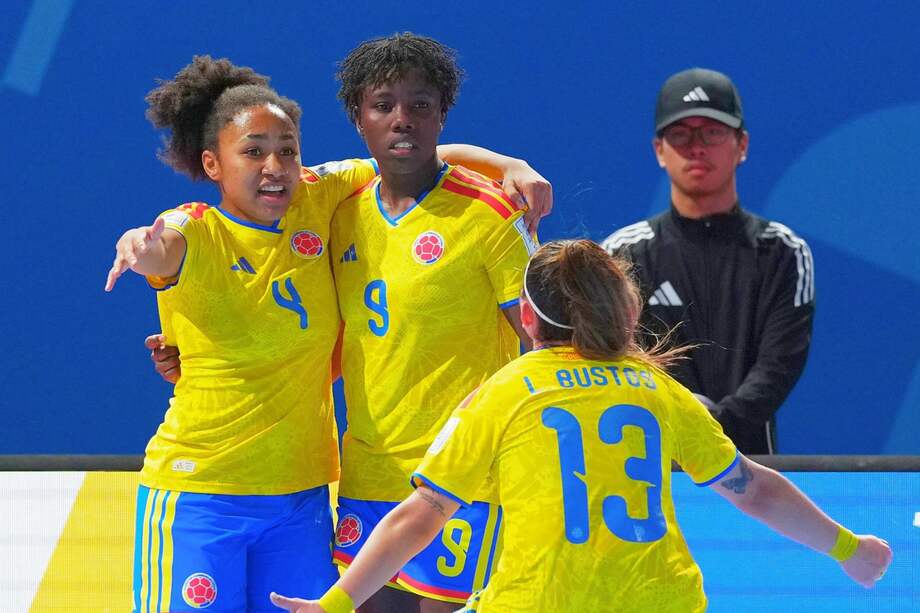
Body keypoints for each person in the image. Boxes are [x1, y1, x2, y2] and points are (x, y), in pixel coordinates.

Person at [269, 239, 891, 613]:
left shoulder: (504, 391)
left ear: (528, 321)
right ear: (626, 312)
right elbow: (753, 489)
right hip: (662, 602)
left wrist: (336, 603)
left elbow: (419, 517)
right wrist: (849, 549)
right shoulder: (657, 389)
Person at [105, 56, 383, 612]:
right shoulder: (196, 230)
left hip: (300, 498)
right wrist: (137, 246)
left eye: (287, 150)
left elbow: (414, 157)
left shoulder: (316, 196)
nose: (274, 165)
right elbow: (160, 247)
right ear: (213, 163)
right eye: (253, 151)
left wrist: (509, 165)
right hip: (201, 495)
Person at [327, 33, 539, 612]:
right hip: (367, 475)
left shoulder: (492, 214)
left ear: (442, 115)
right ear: (359, 119)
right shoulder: (337, 213)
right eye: (383, 105)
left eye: (420, 105)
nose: (402, 119)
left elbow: (544, 346)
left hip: (460, 480)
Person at [601, 67, 815, 455]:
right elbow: (613, 362)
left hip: (752, 465)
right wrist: (680, 421)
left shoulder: (784, 252)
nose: (696, 147)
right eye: (680, 134)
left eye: (712, 132)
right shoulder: (622, 255)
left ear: (742, 144)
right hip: (652, 464)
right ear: (659, 150)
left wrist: (715, 426)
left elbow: (779, 366)